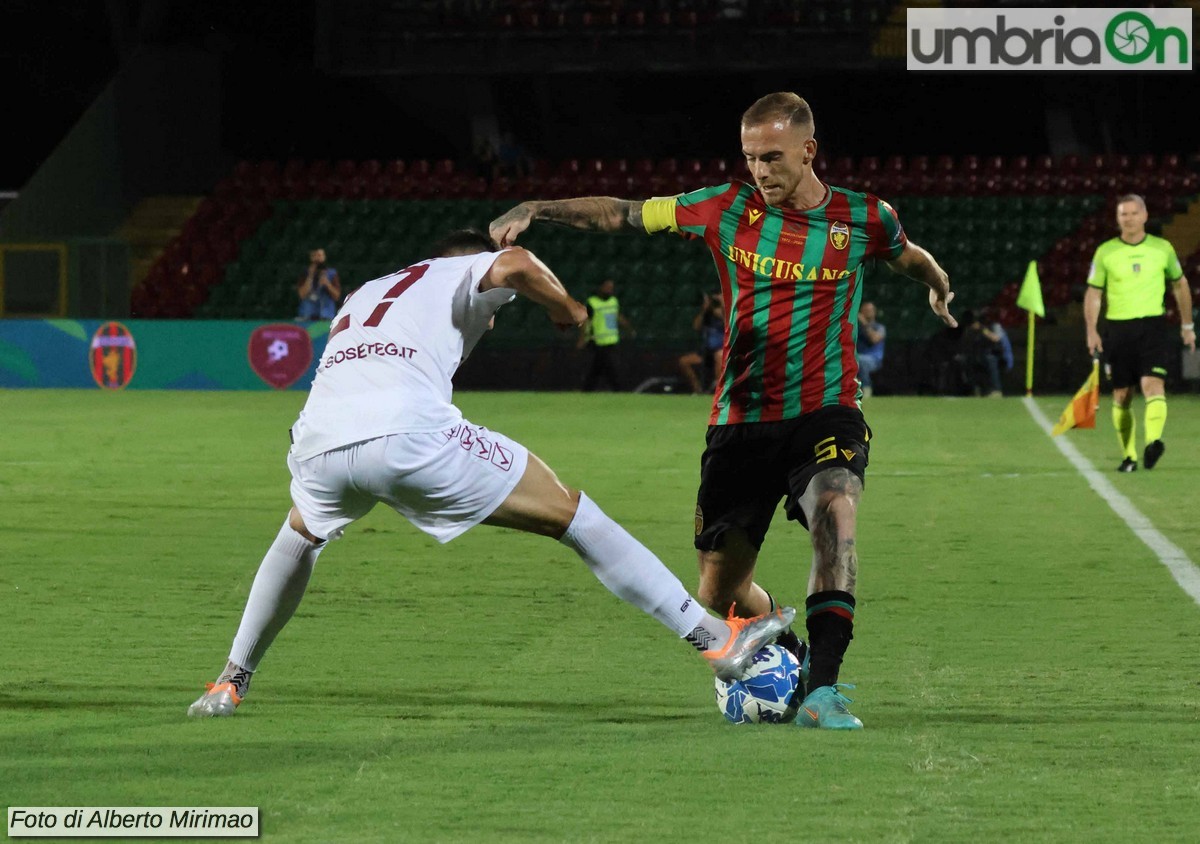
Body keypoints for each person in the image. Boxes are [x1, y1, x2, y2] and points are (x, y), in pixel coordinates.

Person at [490, 92, 956, 729]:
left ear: (808, 150)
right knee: (717, 589)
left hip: (826, 408)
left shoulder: (864, 218)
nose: (760, 170)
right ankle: (787, 648)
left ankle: (823, 690)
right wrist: (539, 207)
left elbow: (909, 255)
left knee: (836, 511)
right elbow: (622, 214)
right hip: (740, 420)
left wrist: (938, 286)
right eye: (749, 157)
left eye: (772, 157)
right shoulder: (722, 208)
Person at [188, 229, 793, 718]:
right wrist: (569, 309)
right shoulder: (459, 271)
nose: (494, 319)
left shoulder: (371, 289)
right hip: (408, 433)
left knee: (300, 534)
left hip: (319, 440)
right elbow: (518, 263)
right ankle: (715, 637)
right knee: (574, 514)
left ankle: (229, 683)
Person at [1084, 193, 1195, 472]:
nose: (1129, 218)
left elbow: (1180, 286)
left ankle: (1154, 443)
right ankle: (1129, 456)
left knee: (1153, 385)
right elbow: (1094, 293)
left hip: (1153, 327)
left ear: (1145, 216)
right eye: (1124, 214)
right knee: (1122, 395)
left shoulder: (1162, 249)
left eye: (1134, 213)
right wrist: (1091, 329)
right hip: (1118, 329)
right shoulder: (1105, 251)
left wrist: (1187, 326)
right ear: (1117, 218)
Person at [578, 278, 635, 391]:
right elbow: (585, 320)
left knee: (599, 367)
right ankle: (618, 389)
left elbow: (617, 315)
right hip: (597, 340)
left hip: (611, 340)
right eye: (607, 287)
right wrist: (583, 338)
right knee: (608, 367)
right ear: (601, 287)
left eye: (611, 287)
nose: (609, 290)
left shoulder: (613, 301)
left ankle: (587, 389)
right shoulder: (592, 302)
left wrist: (628, 327)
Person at [678, 291, 725, 394]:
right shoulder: (707, 316)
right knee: (684, 361)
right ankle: (697, 389)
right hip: (706, 352)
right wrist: (704, 309)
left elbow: (729, 322)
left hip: (721, 350)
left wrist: (722, 304)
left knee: (719, 356)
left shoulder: (726, 313)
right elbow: (696, 326)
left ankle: (719, 390)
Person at [296, 248, 342, 321]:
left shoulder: (332, 274)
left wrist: (327, 284)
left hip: (327, 317)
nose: (318, 259)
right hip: (307, 317)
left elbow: (337, 296)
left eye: (320, 255)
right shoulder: (304, 274)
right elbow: (302, 295)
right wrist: (310, 276)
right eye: (315, 255)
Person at [855, 301, 886, 399]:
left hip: (874, 359)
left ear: (874, 312)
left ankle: (866, 389)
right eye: (865, 310)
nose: (867, 312)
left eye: (869, 310)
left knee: (860, 360)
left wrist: (864, 323)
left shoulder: (880, 327)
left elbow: (874, 339)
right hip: (858, 357)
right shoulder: (857, 328)